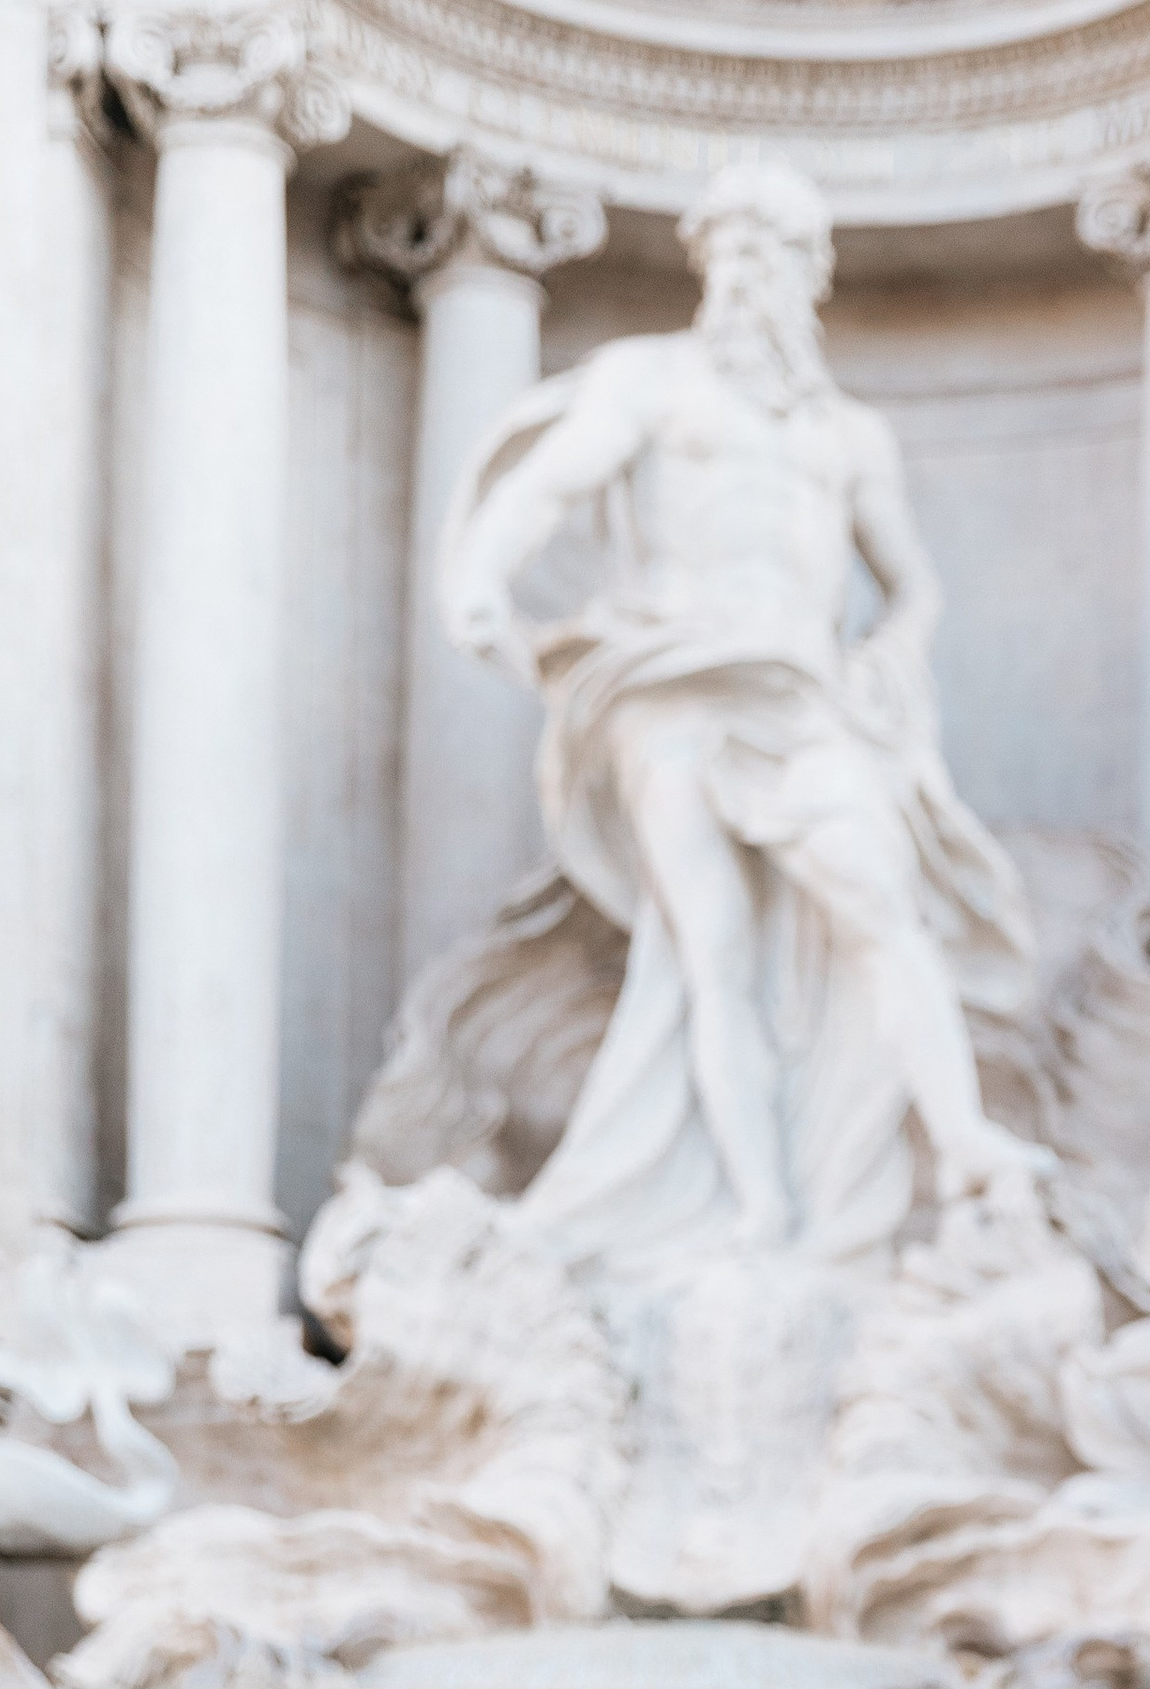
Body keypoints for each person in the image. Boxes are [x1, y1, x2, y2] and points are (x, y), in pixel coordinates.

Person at [442, 158, 1041, 1269]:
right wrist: (481, 574)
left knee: (880, 902)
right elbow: (549, 486)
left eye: (771, 252)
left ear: (811, 274)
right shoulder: (648, 383)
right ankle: (762, 1207)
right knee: (706, 951)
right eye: (731, 251)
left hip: (797, 693)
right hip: (669, 686)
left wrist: (890, 652)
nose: (746, 275)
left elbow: (912, 584)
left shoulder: (849, 434)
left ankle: (959, 1138)